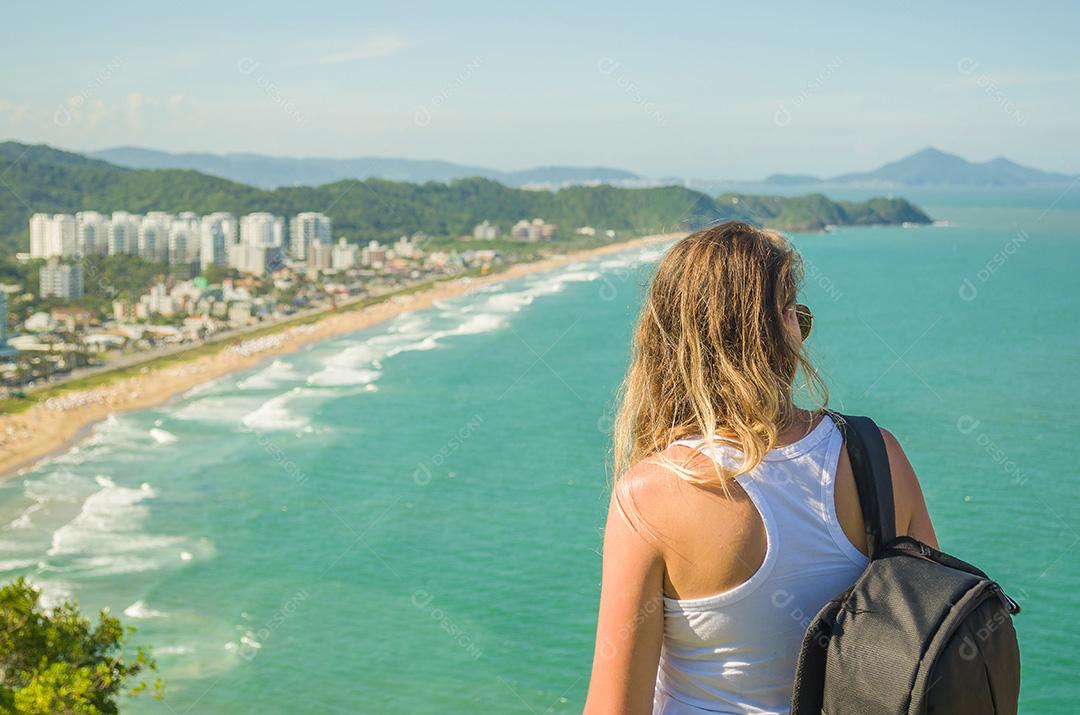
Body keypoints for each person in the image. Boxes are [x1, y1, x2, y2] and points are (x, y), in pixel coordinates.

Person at [583, 222, 938, 714]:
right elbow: (934, 632)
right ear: (785, 326)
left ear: (668, 344)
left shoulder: (653, 494)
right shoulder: (879, 454)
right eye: (795, 313)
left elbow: (614, 708)